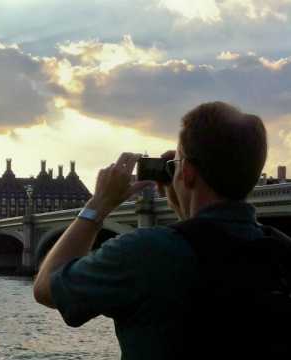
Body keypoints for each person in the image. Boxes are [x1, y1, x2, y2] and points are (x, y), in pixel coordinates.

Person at [33, 101, 291, 359]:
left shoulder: (145, 252)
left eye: (178, 163)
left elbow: (47, 288)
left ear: (187, 172)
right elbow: (207, 242)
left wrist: (98, 205)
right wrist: (184, 199)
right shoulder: (281, 251)